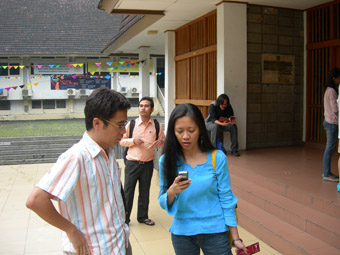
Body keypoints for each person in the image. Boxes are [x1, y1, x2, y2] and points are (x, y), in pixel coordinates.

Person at [26, 88, 132, 255]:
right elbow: (36, 200)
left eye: (124, 124)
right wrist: (71, 230)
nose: (123, 131)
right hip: (93, 249)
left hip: (118, 243)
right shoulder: (76, 158)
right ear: (97, 123)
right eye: (119, 125)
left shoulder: (109, 152)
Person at [158, 103, 247, 255]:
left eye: (191, 130)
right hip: (182, 233)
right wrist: (172, 191)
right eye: (179, 131)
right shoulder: (167, 160)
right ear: (173, 132)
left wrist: (236, 237)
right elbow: (162, 200)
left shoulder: (217, 158)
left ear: (200, 129)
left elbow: (226, 198)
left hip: (216, 231)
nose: (185, 136)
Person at [120, 97, 165, 226]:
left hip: (148, 163)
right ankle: (125, 219)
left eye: (146, 106)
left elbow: (162, 142)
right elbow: (121, 141)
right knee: (128, 192)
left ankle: (143, 217)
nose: (143, 108)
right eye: (141, 106)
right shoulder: (131, 124)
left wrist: (160, 143)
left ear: (152, 109)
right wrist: (133, 141)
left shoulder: (156, 125)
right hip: (132, 163)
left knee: (145, 192)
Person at [322, 68, 340, 182]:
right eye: (339, 78)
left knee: (330, 148)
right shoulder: (332, 91)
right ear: (334, 78)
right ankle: (326, 173)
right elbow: (335, 109)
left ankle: (327, 172)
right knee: (330, 148)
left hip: (328, 121)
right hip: (332, 123)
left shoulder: (328, 89)